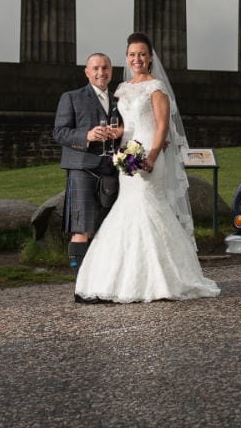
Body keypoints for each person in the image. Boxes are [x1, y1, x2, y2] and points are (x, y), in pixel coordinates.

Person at [74, 33, 220, 303]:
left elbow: (163, 126)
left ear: (150, 57)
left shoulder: (156, 87)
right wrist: (110, 133)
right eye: (132, 55)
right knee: (127, 208)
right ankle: (115, 278)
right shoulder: (123, 88)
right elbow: (125, 126)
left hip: (150, 156)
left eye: (141, 54)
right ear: (127, 58)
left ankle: (163, 279)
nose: (136, 59)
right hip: (127, 155)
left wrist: (151, 156)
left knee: (149, 206)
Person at [53, 53, 122, 276]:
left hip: (111, 170)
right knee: (81, 227)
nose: (101, 72)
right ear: (87, 72)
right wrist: (88, 135)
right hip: (82, 169)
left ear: (111, 71)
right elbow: (60, 133)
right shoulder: (71, 97)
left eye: (105, 68)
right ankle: (80, 281)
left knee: (104, 227)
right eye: (96, 68)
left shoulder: (119, 101)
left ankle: (99, 278)